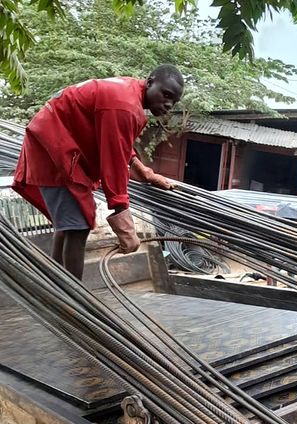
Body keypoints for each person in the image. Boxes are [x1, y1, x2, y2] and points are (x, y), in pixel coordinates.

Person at [12, 65, 184, 279]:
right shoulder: (125, 105)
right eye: (166, 95)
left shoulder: (128, 94)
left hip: (56, 148)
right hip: (53, 151)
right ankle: (74, 300)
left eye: (174, 101)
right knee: (78, 226)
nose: (168, 104)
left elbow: (117, 144)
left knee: (68, 224)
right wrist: (124, 224)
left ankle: (55, 287)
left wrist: (145, 173)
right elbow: (114, 161)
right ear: (149, 82)